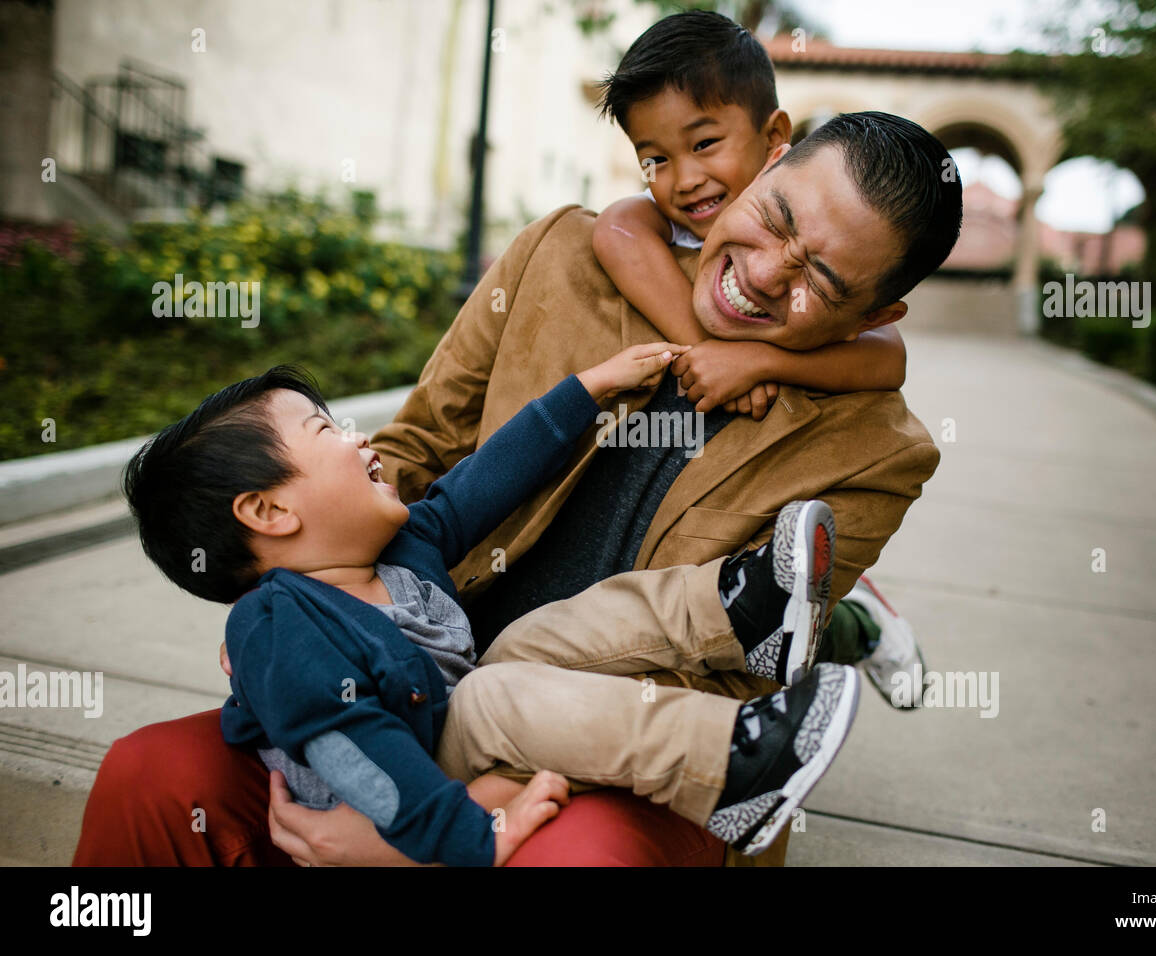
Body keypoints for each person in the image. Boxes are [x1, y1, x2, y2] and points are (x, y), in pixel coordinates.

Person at [74, 96, 961, 868]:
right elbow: (415, 456)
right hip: (396, 710)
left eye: (819, 279)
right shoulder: (564, 259)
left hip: (601, 739)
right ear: (768, 164)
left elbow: (734, 681)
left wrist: (454, 826)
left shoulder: (879, 452)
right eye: (776, 218)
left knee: (584, 856)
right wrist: (278, 601)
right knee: (151, 778)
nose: (765, 272)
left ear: (876, 317)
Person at [118, 354, 862, 863]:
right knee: (496, 693)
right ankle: (734, 767)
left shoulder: (404, 549)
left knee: (555, 626)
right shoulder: (277, 627)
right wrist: (472, 835)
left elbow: (489, 478)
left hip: (453, 728)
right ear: (270, 511)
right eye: (327, 432)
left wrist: (587, 389)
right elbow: (345, 747)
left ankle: (745, 615)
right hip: (403, 790)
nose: (359, 438)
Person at [590, 10, 929, 702]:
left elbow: (887, 357)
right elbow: (615, 230)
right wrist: (706, 344)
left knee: (784, 632)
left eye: (706, 143)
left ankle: (862, 626)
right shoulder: (657, 227)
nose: (683, 180)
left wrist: (763, 362)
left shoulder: (806, 218)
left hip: (770, 516)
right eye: (654, 158)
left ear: (775, 139)